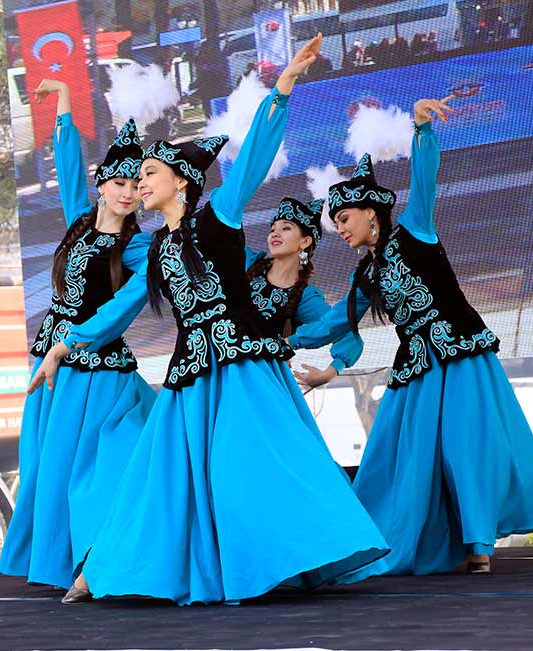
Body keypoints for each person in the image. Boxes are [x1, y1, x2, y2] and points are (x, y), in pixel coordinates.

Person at [61, 34, 388, 606]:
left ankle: (279, 558)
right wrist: (73, 339)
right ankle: (104, 568)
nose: (140, 184)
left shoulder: (220, 218)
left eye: (150, 175)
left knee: (252, 469)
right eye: (137, 178)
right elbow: (124, 305)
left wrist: (281, 90)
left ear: (182, 182)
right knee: (155, 474)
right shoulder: (158, 249)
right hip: (192, 374)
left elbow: (254, 156)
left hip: (240, 368)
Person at [289, 96, 533, 576]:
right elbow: (335, 323)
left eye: (345, 218)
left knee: (466, 446)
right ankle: (375, 540)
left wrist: (421, 129)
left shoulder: (414, 230)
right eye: (334, 223)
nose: (340, 228)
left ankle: (479, 543)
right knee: (394, 456)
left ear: (372, 213)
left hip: (458, 355)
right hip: (416, 366)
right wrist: (278, 343)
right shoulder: (365, 275)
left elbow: (425, 179)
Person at [0, 79, 157, 589]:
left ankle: (97, 561)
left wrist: (72, 343)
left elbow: (122, 309)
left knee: (92, 469)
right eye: (120, 183)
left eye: (137, 186)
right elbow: (67, 164)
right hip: (53, 363)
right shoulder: (78, 223)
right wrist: (64, 99)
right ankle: (57, 560)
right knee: (49, 466)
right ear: (104, 183)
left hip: (94, 370)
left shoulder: (136, 249)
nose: (129, 192)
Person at [244, 196, 363, 390]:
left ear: (305, 241)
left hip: (260, 380)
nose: (275, 233)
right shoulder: (246, 263)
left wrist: (329, 373)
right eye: (272, 229)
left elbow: (346, 332)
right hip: (216, 366)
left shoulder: (304, 298)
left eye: (286, 228)